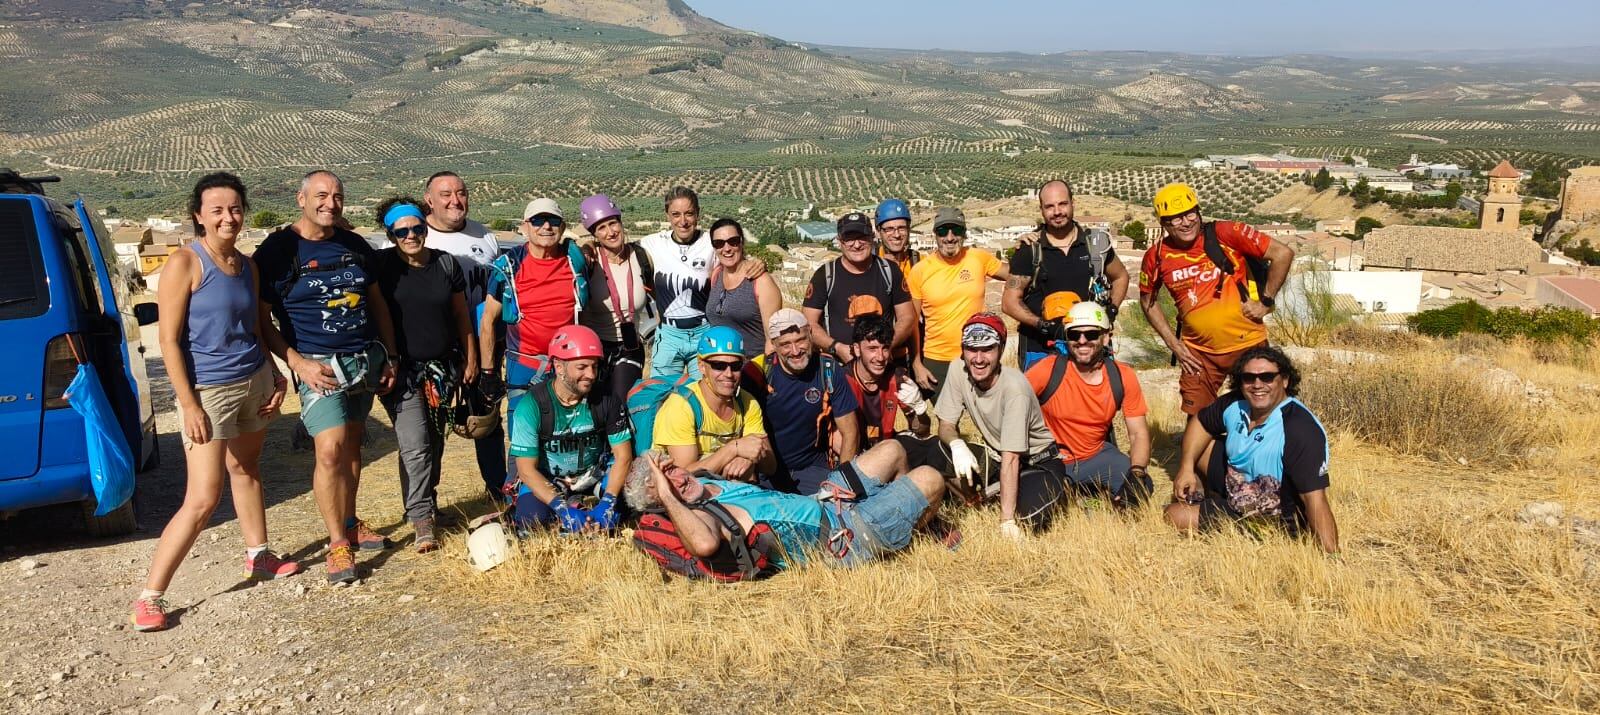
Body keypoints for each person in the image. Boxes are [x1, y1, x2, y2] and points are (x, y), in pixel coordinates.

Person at [132, 173, 298, 631]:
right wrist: (189, 405)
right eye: (218, 210)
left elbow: (254, 328)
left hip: (254, 381)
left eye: (235, 208)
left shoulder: (247, 265)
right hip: (210, 392)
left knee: (246, 471)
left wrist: (277, 377)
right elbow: (167, 342)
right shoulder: (186, 263)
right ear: (198, 216)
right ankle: (151, 594)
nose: (229, 217)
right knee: (203, 497)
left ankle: (258, 555)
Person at [254, 170, 398, 585]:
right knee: (330, 450)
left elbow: (377, 304)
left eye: (337, 196)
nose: (330, 204)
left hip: (362, 361)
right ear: (300, 199)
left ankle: (350, 521)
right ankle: (337, 543)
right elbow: (261, 319)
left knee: (352, 447)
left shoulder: (354, 245)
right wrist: (296, 364)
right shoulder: (279, 251)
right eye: (321, 195)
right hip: (318, 366)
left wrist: (389, 355)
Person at [626, 443, 946, 569]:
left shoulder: (702, 481)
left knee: (892, 450)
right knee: (930, 478)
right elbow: (704, 544)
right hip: (845, 536)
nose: (677, 478)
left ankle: (917, 526)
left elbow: (701, 465)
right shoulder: (700, 516)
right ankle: (903, 526)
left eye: (672, 468)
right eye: (667, 481)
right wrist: (666, 493)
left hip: (825, 499)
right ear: (662, 501)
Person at [373, 197, 477, 553]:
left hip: (441, 370)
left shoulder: (445, 264)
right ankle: (421, 519)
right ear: (391, 234)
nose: (411, 235)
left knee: (434, 442)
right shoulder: (381, 266)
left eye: (417, 228)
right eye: (402, 231)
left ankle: (424, 503)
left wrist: (471, 357)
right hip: (401, 372)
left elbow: (462, 315)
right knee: (415, 445)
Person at [1139, 183, 1295, 417]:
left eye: (1190, 213)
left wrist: (1265, 302)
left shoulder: (1225, 233)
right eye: (1176, 218)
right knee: (1199, 419)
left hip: (1247, 344)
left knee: (1260, 412)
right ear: (1164, 223)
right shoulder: (1156, 256)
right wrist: (1174, 345)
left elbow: (1282, 253)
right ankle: (1197, 456)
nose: (1186, 222)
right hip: (1198, 354)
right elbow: (1147, 301)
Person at [1165, 346, 1339, 553]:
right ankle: (1206, 498)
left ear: (1284, 380)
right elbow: (1200, 422)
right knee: (1202, 446)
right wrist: (1186, 467)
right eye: (1249, 378)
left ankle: (1246, 528)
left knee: (1172, 515)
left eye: (1267, 377)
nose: (1257, 385)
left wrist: (1332, 556)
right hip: (1239, 483)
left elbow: (1315, 499)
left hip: (1268, 514)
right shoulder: (1236, 403)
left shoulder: (1299, 429)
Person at [479, 197, 588, 492]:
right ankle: (518, 496)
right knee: (523, 434)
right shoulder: (508, 266)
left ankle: (563, 489)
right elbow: (488, 319)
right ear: (525, 227)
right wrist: (488, 372)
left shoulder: (573, 260)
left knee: (567, 429)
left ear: (563, 226)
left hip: (567, 366)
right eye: (538, 221)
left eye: (552, 221)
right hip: (524, 365)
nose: (546, 227)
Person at [934, 314, 1070, 537]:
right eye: (971, 349)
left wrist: (1006, 521)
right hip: (997, 457)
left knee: (1029, 518)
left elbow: (1012, 457)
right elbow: (946, 424)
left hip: (1037, 460)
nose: (978, 359)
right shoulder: (958, 369)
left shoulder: (1014, 389)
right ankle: (985, 495)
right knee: (936, 450)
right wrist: (957, 445)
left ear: (1001, 349)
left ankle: (1035, 491)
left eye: (987, 349)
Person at [421, 171, 505, 500]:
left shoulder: (485, 237)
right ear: (429, 200)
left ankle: (499, 491)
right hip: (436, 351)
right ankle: (426, 502)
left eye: (461, 193)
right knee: (431, 428)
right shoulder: (416, 235)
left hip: (483, 349)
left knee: (487, 420)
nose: (455, 200)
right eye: (445, 194)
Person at [507, 326, 634, 534]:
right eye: (582, 367)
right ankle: (568, 512)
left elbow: (623, 456)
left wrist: (609, 502)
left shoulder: (607, 399)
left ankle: (589, 513)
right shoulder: (531, 405)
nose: (591, 375)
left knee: (630, 502)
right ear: (558, 366)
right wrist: (562, 508)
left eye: (594, 366)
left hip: (594, 474)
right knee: (532, 521)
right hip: (549, 477)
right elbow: (526, 469)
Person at [1025, 300, 1152, 507]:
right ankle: (1067, 490)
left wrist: (1137, 473)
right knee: (1041, 507)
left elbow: (1138, 433)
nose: (1082, 341)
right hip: (1050, 459)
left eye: (1091, 334)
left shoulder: (1122, 376)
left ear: (1105, 337)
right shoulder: (1047, 370)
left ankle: (1084, 492)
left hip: (1096, 456)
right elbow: (1013, 406)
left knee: (1141, 491)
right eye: (1074, 335)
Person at [1004, 179, 1130, 369]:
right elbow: (1009, 302)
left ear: (1073, 203)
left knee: (1096, 397)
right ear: (1041, 210)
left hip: (1091, 346)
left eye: (1062, 204)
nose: (1057, 212)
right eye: (1049, 206)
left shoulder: (1095, 245)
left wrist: (1111, 310)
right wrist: (1044, 326)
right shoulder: (1030, 250)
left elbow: (1121, 276)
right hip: (1041, 351)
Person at [650, 326, 774, 482]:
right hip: (684, 495)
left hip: (725, 489)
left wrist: (750, 458)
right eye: (718, 366)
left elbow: (770, 467)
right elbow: (683, 478)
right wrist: (734, 449)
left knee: (747, 471)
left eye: (735, 366)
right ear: (702, 366)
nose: (728, 374)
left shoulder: (747, 402)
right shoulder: (681, 407)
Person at [907, 206, 1009, 394]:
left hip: (978, 355)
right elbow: (911, 324)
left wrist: (1027, 246)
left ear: (965, 233)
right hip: (937, 359)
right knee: (947, 420)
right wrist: (916, 364)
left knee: (987, 418)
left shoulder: (978, 258)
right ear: (935, 235)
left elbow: (1015, 275)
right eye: (943, 231)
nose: (950, 237)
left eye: (957, 230)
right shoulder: (920, 271)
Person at [760, 309, 860, 494]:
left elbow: (850, 431)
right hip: (766, 472)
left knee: (833, 511)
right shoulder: (759, 373)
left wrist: (842, 483)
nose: (795, 351)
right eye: (785, 344)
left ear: (811, 335)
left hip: (811, 468)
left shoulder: (828, 370)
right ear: (773, 345)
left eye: (800, 340)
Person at [577, 194, 658, 407]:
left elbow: (657, 294)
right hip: (595, 349)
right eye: (601, 228)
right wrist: (584, 247)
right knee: (596, 409)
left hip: (630, 346)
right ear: (593, 234)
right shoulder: (589, 261)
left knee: (619, 405)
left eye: (613, 223)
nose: (610, 232)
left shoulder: (642, 257)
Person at [802, 211, 915, 364]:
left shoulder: (890, 272)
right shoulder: (826, 275)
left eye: (862, 237)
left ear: (872, 237)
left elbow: (907, 317)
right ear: (840, 241)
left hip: (883, 364)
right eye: (849, 239)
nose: (856, 244)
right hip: (841, 368)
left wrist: (883, 348)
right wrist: (837, 348)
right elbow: (808, 323)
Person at [840, 313, 944, 472]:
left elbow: (922, 431)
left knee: (936, 446)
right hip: (854, 456)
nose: (880, 357)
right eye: (872, 349)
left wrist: (920, 409)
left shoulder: (897, 376)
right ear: (857, 349)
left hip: (886, 449)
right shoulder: (842, 379)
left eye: (885, 348)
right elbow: (836, 439)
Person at [706, 218, 781, 366]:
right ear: (714, 248)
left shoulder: (761, 281)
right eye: (719, 243)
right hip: (719, 368)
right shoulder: (716, 275)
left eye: (733, 241)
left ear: (742, 242)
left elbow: (773, 340)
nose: (726, 248)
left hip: (752, 368)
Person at [874, 198, 920, 277]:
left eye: (901, 228)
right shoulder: (869, 263)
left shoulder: (921, 263)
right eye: (889, 229)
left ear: (908, 229)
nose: (897, 235)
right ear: (878, 232)